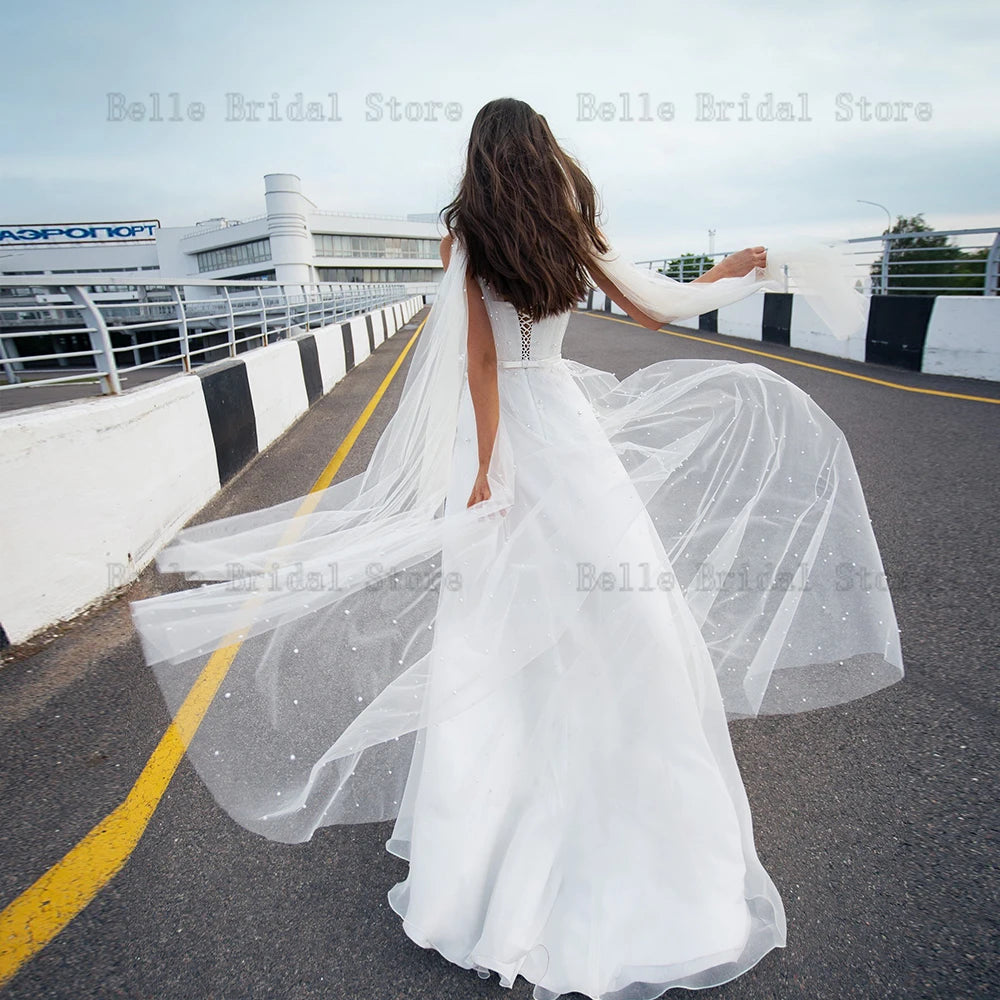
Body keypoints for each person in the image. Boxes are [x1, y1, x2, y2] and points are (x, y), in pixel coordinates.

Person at [130, 97, 904, 1000]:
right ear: (544, 155)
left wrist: (485, 476)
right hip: (571, 439)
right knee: (627, 625)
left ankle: (490, 850)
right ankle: (647, 834)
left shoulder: (469, 237)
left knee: (499, 636)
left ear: (482, 160)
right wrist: (737, 270)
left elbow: (481, 370)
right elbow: (657, 312)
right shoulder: (568, 226)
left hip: (513, 441)